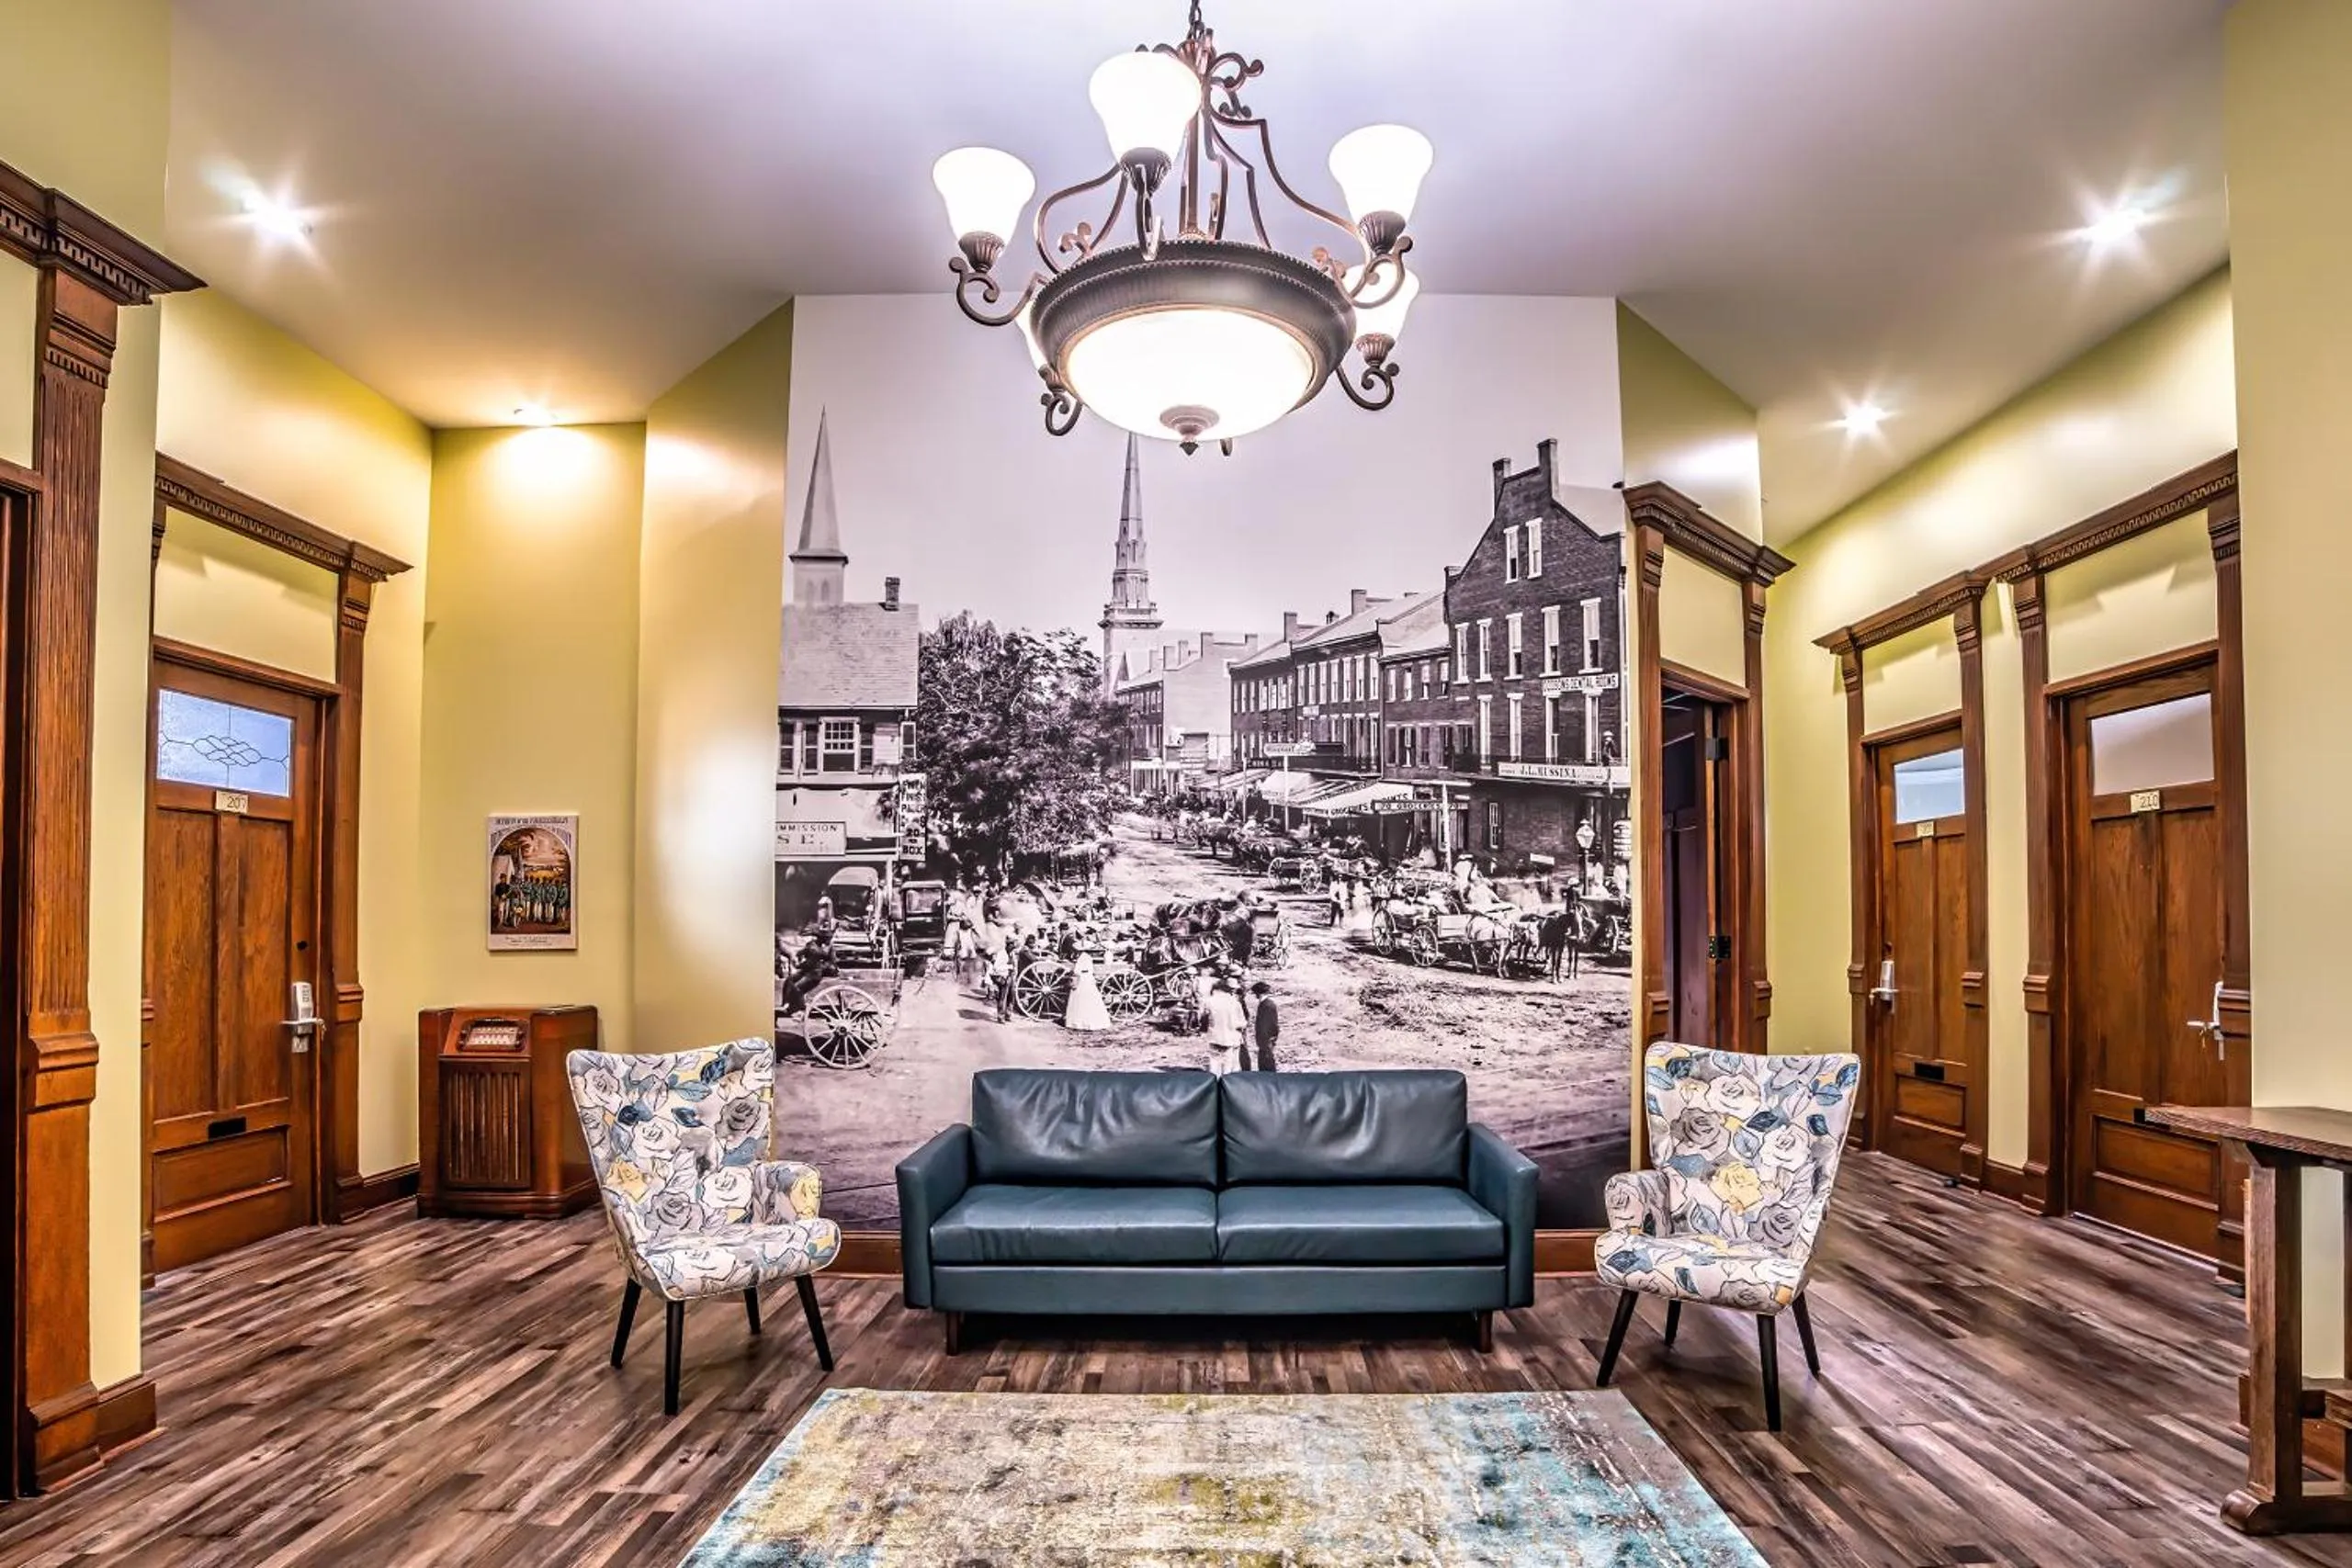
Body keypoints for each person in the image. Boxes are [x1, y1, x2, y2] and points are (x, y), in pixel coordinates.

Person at [1203, 973, 1248, 1077]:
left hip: (1214, 1037)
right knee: (1229, 1068)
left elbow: (1203, 1018)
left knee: (1214, 1066)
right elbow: (1242, 1022)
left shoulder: (1209, 1002)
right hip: (1230, 1039)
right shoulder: (1235, 1003)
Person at [1063, 950, 1112, 1032]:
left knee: (1079, 1001)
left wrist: (1071, 972)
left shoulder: (1081, 958)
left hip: (1081, 980)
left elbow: (1077, 971)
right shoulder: (1088, 957)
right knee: (1091, 1000)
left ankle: (1079, 1023)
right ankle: (1091, 1022)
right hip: (1088, 979)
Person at [1250, 981, 1280, 1072]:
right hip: (1266, 1039)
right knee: (1266, 1062)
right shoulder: (1267, 1004)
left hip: (1265, 1039)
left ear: (1258, 993)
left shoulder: (1267, 1005)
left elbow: (1267, 1025)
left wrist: (1267, 1040)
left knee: (1266, 1064)